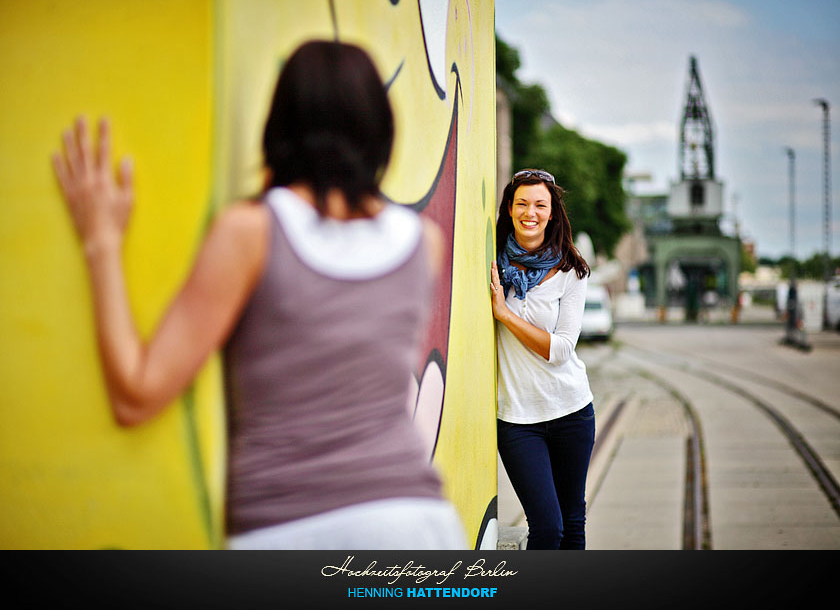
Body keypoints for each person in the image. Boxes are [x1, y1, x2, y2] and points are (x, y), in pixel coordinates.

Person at [51, 40, 466, 550]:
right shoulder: (422, 243)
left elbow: (138, 394)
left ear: (279, 124)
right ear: (382, 132)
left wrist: (101, 242)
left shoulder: (252, 232)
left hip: (288, 529)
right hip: (419, 525)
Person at [489, 168, 595, 550]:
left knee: (572, 523)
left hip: (571, 411)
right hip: (518, 420)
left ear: (552, 213)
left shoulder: (571, 268)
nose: (529, 212)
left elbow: (561, 348)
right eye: (521, 203)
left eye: (539, 205)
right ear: (509, 209)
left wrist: (505, 314)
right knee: (548, 528)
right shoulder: (493, 263)